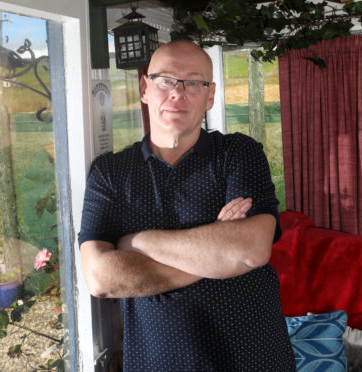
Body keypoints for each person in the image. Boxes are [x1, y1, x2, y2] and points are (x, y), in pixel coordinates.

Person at [78, 40, 296, 371]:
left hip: (253, 356)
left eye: (194, 82)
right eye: (165, 80)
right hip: (159, 360)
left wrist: (138, 243)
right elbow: (101, 278)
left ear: (210, 96)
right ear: (144, 88)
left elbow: (249, 250)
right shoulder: (110, 172)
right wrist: (218, 250)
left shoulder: (238, 153)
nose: (178, 93)